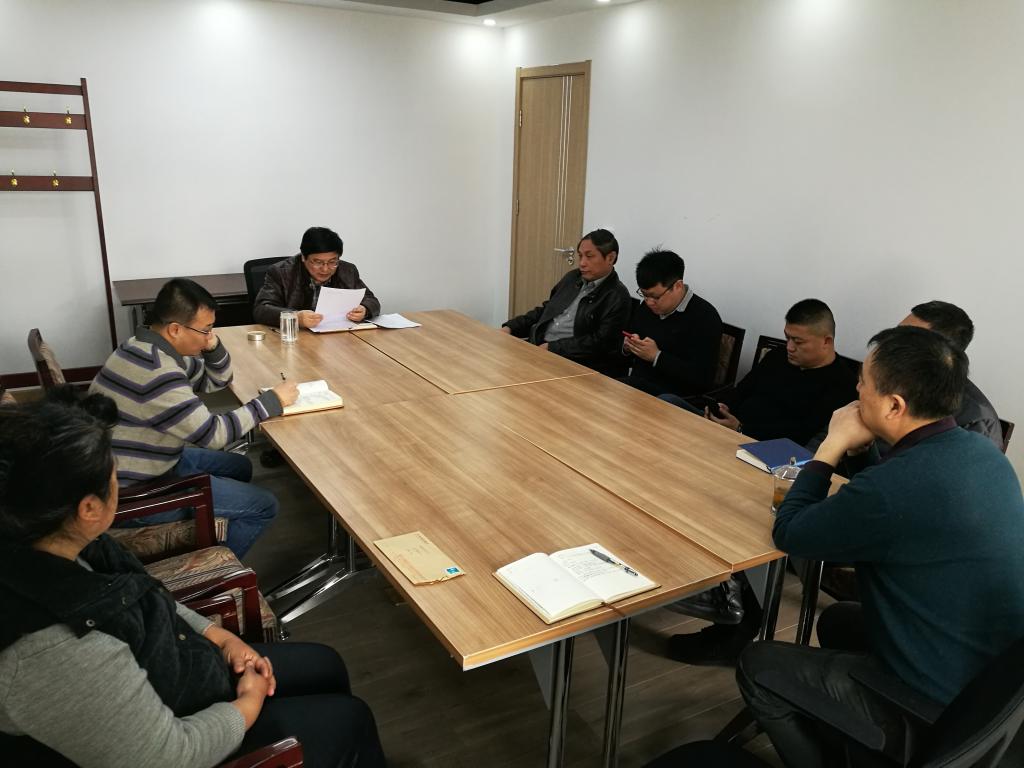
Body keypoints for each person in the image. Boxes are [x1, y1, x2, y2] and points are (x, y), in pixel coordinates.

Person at [0, 388, 386, 768]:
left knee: (326, 665)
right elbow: (170, 756)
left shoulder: (61, 541)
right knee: (350, 720)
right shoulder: (48, 649)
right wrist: (248, 703)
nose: (119, 478)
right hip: (185, 734)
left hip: (182, 670)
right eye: (114, 474)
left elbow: (142, 596)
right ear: (88, 508)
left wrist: (220, 637)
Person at [737, 326, 1024, 768]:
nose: (855, 392)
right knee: (837, 620)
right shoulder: (984, 454)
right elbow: (890, 498)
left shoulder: (896, 488)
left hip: (940, 705)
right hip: (993, 679)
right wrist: (863, 449)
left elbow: (791, 532)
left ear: (894, 405)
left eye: (862, 383)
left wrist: (831, 447)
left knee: (759, 664)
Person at [666, 299, 859, 665]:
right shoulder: (776, 361)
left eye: (798, 341)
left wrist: (741, 427)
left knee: (736, 504)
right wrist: (719, 410)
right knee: (668, 403)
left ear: (826, 341)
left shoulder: (842, 386)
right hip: (731, 440)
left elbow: (801, 449)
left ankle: (732, 611)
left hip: (770, 463)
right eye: (787, 338)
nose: (789, 347)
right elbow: (739, 392)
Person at [91, 278, 298, 558]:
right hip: (134, 491)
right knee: (264, 505)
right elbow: (213, 435)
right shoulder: (159, 374)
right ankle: (217, 569)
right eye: (206, 330)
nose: (209, 336)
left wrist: (212, 345)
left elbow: (216, 380)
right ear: (175, 329)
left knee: (240, 466)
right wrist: (272, 402)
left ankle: (217, 519)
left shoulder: (141, 346)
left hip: (150, 461)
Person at [501, 229, 630, 374]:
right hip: (540, 347)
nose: (582, 263)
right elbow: (547, 310)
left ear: (610, 258)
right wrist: (511, 327)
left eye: (589, 256)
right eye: (580, 256)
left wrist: (552, 348)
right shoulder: (572, 278)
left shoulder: (617, 296)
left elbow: (599, 342)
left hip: (574, 363)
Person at [899, 300, 1002, 449]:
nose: (890, 345)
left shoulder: (975, 421)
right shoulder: (886, 377)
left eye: (906, 340)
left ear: (943, 354)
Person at [618, 250, 722, 397]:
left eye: (655, 296)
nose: (649, 302)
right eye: (644, 295)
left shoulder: (705, 317)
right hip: (637, 386)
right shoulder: (646, 308)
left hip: (675, 397)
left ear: (678, 286)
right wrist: (628, 347)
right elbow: (628, 348)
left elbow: (702, 378)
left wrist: (657, 357)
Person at [253, 226, 380, 329]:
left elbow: (371, 300)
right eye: (318, 262)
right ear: (303, 257)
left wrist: (365, 309)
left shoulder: (348, 270)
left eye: (332, 262)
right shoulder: (281, 272)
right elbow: (261, 310)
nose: (325, 269)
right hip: (297, 337)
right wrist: (296, 317)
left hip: (337, 339)